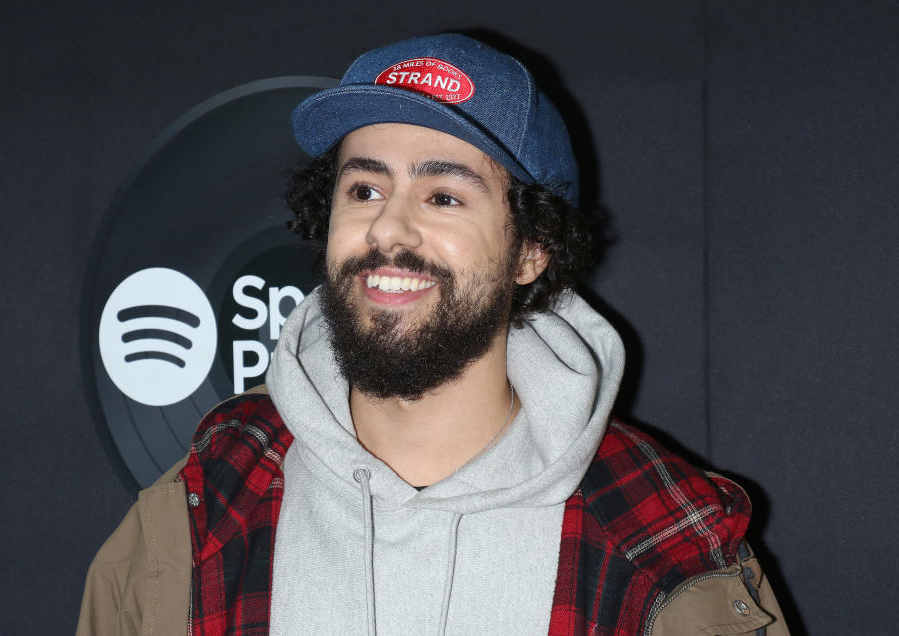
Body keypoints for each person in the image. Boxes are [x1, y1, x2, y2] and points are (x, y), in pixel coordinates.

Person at [77, 33, 788, 635]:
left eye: (443, 196)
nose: (388, 227)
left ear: (532, 248)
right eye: (365, 189)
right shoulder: (202, 512)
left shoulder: (664, 541)